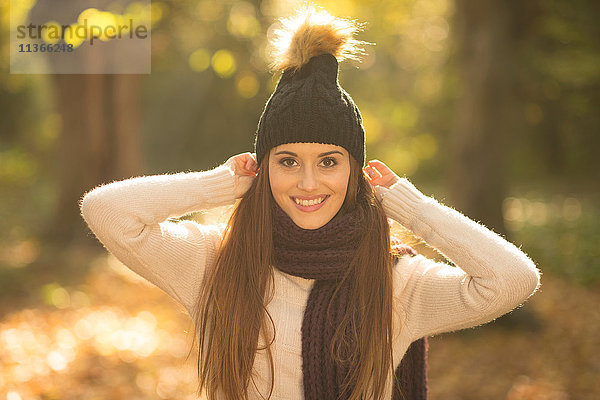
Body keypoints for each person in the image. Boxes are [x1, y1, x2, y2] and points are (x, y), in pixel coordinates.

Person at [79, 5, 541, 400]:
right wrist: (220, 185)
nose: (307, 183)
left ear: (354, 173)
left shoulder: (398, 282)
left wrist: (410, 206)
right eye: (286, 161)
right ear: (264, 170)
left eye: (328, 161)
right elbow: (105, 211)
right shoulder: (214, 262)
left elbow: (513, 280)